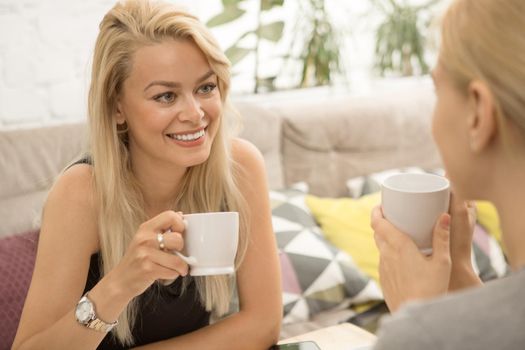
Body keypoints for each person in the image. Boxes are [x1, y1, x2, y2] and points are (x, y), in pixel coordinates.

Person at [12, 0, 282, 349]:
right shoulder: (82, 192)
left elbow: (263, 325)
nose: (195, 113)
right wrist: (120, 284)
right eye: (166, 96)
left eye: (205, 87)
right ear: (117, 107)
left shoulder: (240, 167)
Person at [370, 0, 525, 349]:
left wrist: (418, 320)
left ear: (477, 113)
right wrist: (461, 272)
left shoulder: (424, 335)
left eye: (437, 91)